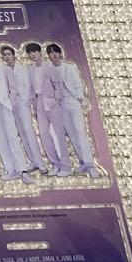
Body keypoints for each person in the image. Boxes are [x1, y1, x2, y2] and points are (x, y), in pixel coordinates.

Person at [0, 45, 33, 182]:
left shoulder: (5, 69)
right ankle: (11, 169)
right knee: (0, 139)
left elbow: (13, 90)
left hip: (4, 107)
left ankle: (23, 170)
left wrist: (9, 104)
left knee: (12, 137)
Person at [46, 44, 101, 177]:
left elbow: (77, 84)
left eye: (56, 52)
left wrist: (80, 99)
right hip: (60, 105)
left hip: (73, 101)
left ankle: (90, 164)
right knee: (72, 134)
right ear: (48, 55)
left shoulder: (69, 67)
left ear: (60, 53)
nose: (54, 54)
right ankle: (83, 162)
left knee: (80, 131)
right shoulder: (48, 70)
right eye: (51, 53)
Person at [27, 42, 72, 176]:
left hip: (52, 102)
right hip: (39, 103)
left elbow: (58, 86)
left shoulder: (50, 67)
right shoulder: (30, 69)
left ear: (40, 53)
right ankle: (55, 164)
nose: (33, 54)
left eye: (35, 51)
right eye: (30, 53)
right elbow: (31, 87)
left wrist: (56, 100)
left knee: (59, 134)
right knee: (44, 134)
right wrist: (34, 104)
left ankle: (66, 167)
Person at [2, 45, 46, 174]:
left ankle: (40, 163)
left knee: (28, 131)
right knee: (22, 133)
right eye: (4, 55)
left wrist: (26, 101)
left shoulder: (23, 69)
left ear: (13, 55)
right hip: (11, 105)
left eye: (9, 54)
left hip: (23, 103)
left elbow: (29, 86)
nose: (7, 57)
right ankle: (33, 161)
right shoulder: (3, 70)